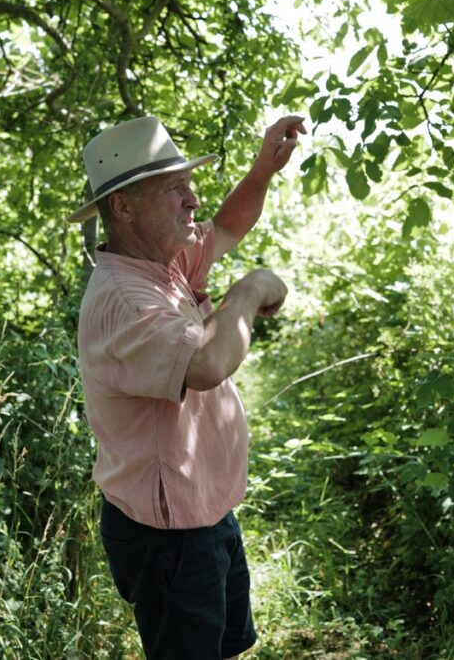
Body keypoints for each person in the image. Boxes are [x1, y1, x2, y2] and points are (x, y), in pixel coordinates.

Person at [69, 114, 306, 659]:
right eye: (174, 188)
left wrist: (262, 172)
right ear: (123, 208)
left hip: (203, 510)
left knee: (223, 648)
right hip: (170, 535)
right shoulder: (127, 301)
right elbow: (205, 365)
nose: (192, 200)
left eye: (188, 183)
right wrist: (247, 292)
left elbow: (225, 228)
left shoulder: (162, 263)